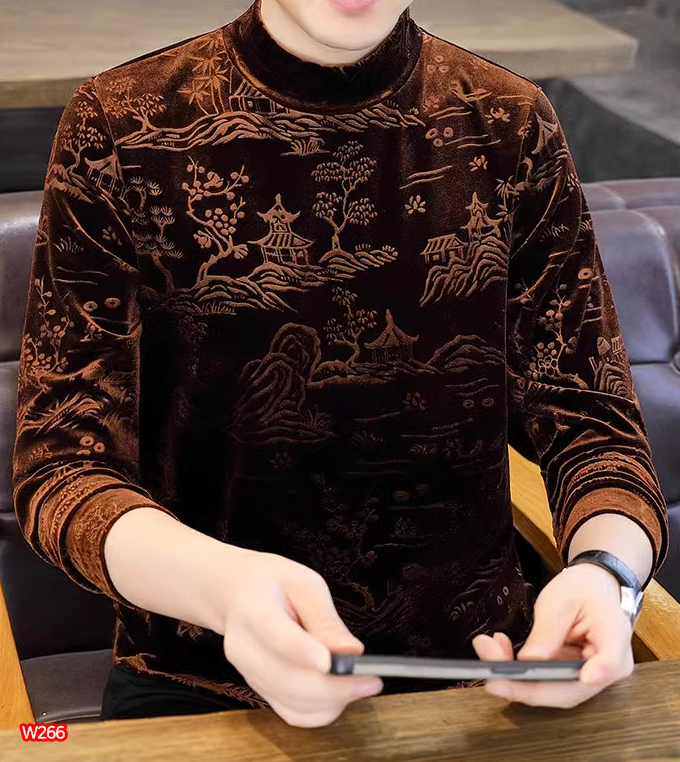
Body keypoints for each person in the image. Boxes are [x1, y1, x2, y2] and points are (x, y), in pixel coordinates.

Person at [13, 0, 668, 727]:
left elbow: (595, 428)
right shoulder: (119, 122)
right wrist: (225, 591)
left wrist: (607, 576)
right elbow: (62, 470)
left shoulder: (510, 122)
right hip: (199, 677)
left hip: (483, 674)